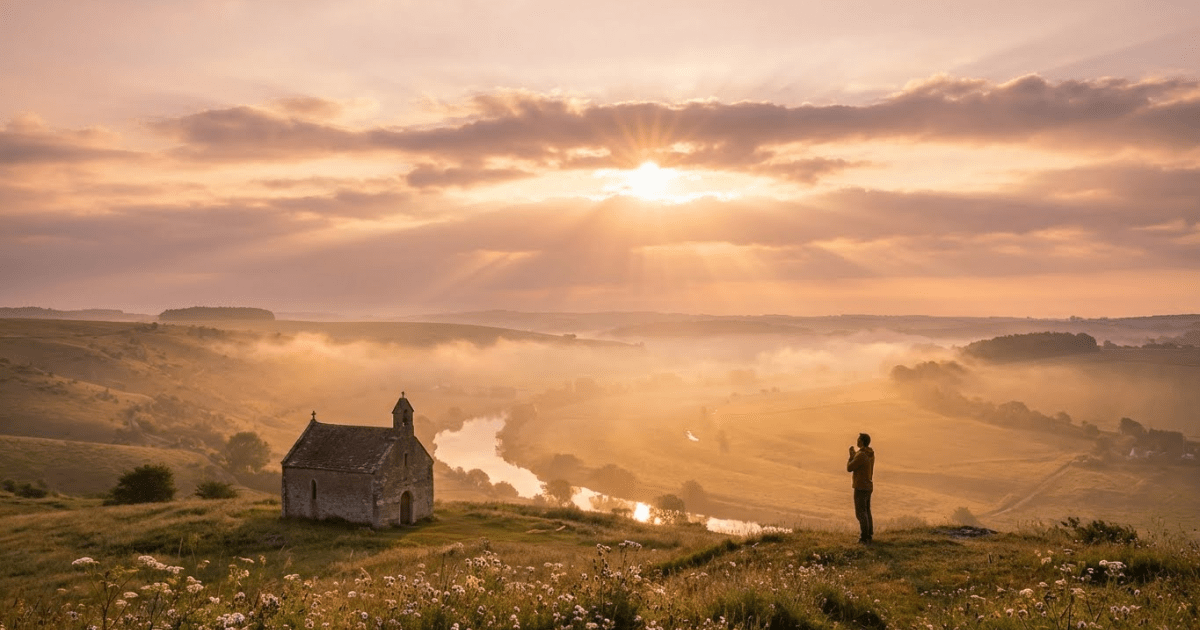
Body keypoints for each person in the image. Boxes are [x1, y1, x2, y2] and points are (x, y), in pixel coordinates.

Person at [847, 433, 874, 544]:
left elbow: (850, 467)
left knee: (860, 513)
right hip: (868, 485)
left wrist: (851, 456)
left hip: (860, 486)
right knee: (866, 511)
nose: (857, 441)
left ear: (862, 441)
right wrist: (855, 455)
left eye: (858, 440)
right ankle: (869, 534)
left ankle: (864, 537)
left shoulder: (861, 455)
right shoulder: (870, 453)